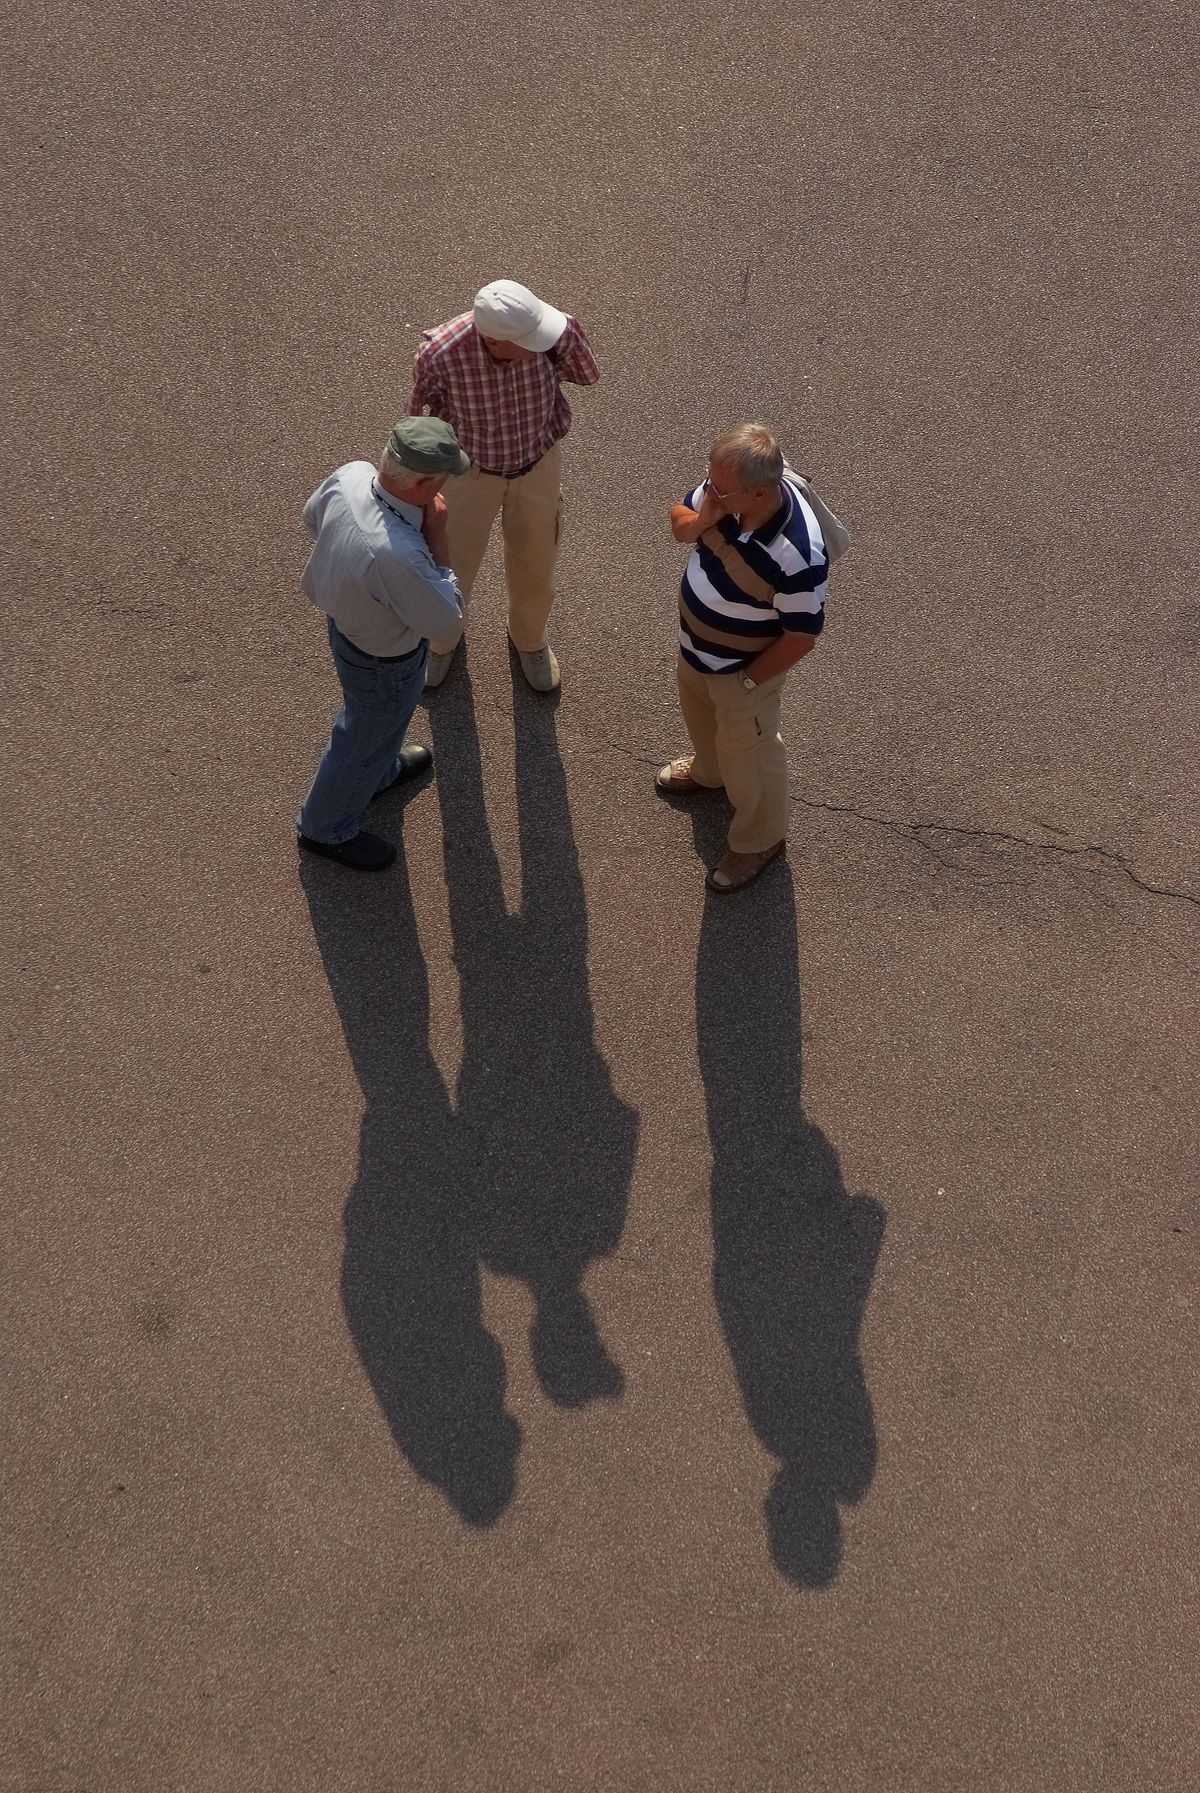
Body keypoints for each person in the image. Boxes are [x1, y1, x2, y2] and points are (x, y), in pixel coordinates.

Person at [657, 423, 830, 894]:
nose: (706, 491)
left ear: (757, 494)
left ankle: (760, 838)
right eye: (708, 482)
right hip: (697, 651)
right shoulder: (725, 493)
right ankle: (710, 773)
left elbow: (801, 636)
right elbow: (679, 521)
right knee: (702, 720)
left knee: (751, 755)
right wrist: (705, 514)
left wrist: (747, 684)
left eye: (719, 489)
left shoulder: (798, 557)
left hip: (743, 673)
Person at [408, 279, 600, 693]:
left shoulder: (548, 333)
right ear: (494, 341)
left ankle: (529, 639)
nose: (539, 344)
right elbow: (419, 418)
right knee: (450, 562)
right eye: (528, 341)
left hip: (537, 464)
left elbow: (588, 375)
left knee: (537, 563)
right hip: (468, 473)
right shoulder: (441, 354)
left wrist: (567, 334)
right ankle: (442, 639)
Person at [296, 417, 469, 872]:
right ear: (426, 484)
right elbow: (446, 622)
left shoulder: (351, 474)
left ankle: (377, 772)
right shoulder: (400, 553)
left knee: (373, 725)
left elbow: (312, 518)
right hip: (385, 659)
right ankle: (325, 826)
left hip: (346, 627)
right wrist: (438, 539)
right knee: (363, 732)